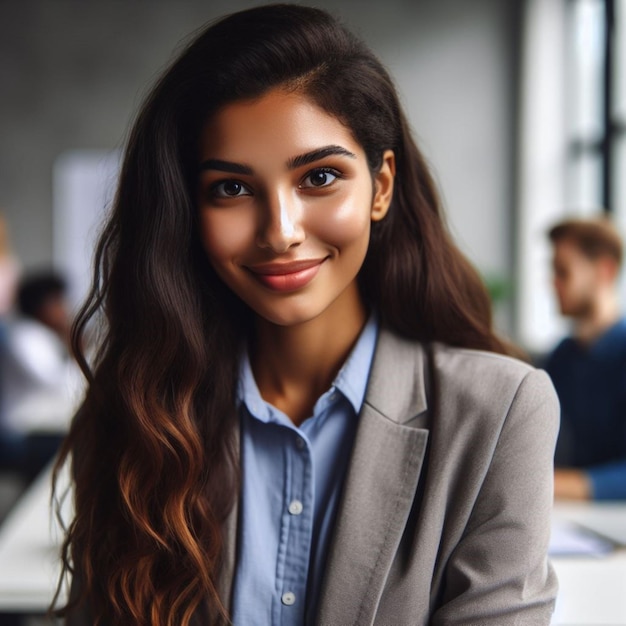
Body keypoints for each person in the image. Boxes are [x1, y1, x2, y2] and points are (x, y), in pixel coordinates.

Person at [54, 5, 559, 625]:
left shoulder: (500, 413)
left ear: (380, 186)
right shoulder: (136, 411)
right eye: (232, 188)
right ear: (189, 211)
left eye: (319, 176)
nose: (280, 232)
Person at [545, 216, 626, 500]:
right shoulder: (563, 356)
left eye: (563, 271)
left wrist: (546, 483)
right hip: (575, 516)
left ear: (604, 270)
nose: (552, 283)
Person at [0, 271, 81, 480]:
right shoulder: (24, 337)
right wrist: (74, 346)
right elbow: (63, 386)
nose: (64, 309)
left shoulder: (43, 336)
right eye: (58, 302)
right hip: (21, 432)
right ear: (41, 305)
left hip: (40, 430)